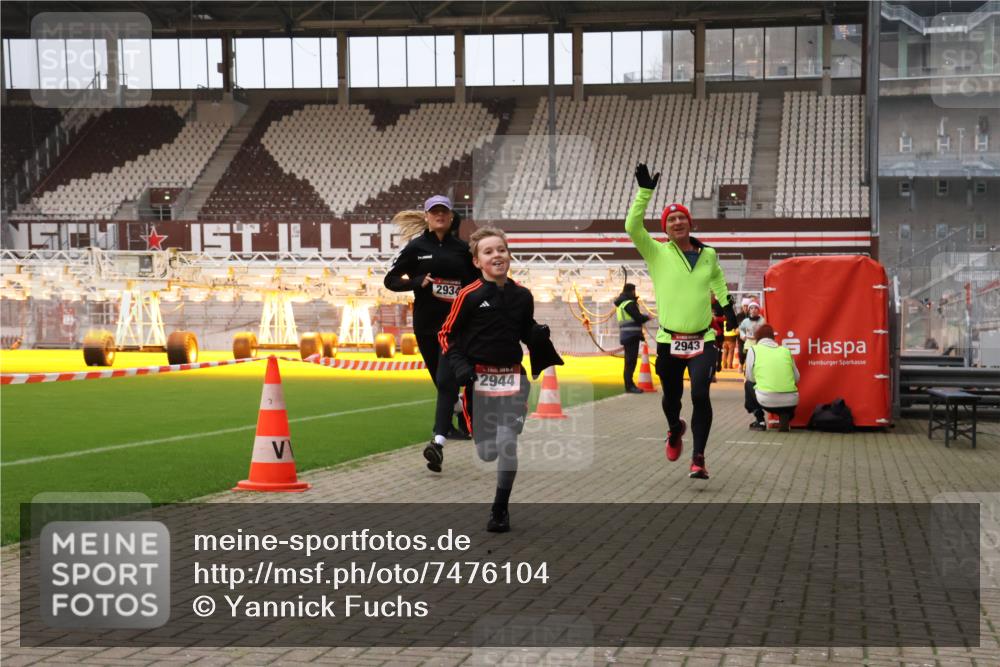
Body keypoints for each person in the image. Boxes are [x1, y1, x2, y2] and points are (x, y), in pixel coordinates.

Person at [438, 226, 562, 531]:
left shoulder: (523, 296)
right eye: (489, 251)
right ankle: (468, 419)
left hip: (513, 380)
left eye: (502, 250)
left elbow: (524, 330)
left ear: (509, 255)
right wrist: (460, 367)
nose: (497, 255)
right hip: (477, 383)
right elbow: (446, 335)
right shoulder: (468, 296)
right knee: (486, 451)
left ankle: (500, 510)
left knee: (507, 444)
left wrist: (536, 334)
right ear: (477, 262)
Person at [626, 164, 738, 480]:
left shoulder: (709, 254)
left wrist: (727, 305)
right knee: (671, 398)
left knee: (700, 394)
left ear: (690, 224)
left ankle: (698, 457)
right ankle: (675, 428)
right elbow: (633, 227)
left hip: (703, 338)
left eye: (682, 218)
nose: (677, 222)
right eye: (671, 220)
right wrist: (644, 193)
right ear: (666, 229)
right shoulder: (657, 253)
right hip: (669, 340)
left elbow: (716, 278)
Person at [384, 195, 478, 466]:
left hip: (453, 328)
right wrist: (416, 281)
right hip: (425, 326)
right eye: (434, 212)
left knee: (445, 378)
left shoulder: (462, 250)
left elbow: (474, 285)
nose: (439, 216)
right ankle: (461, 409)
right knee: (440, 381)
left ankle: (439, 440)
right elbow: (390, 280)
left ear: (450, 217)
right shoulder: (416, 248)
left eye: (443, 212)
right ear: (426, 217)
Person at [744, 324, 800, 431]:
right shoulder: (785, 350)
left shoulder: (753, 350)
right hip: (791, 401)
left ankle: (760, 421)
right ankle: (785, 415)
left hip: (766, 400)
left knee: (748, 384)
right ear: (773, 338)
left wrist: (762, 379)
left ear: (758, 337)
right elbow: (796, 378)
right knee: (790, 386)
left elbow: (749, 377)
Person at [614, 283, 651, 393]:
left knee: (628, 362)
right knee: (631, 362)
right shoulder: (629, 304)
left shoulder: (621, 304)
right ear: (632, 291)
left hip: (627, 335)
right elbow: (638, 318)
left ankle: (628, 385)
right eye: (634, 291)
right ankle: (630, 386)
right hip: (631, 336)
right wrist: (648, 317)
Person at [738, 301, 765, 368]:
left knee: (757, 362)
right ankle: (747, 375)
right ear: (749, 310)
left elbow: (766, 331)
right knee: (749, 361)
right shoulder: (746, 321)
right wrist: (743, 335)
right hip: (748, 344)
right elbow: (741, 329)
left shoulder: (763, 320)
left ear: (758, 310)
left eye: (756, 308)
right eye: (751, 308)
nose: (753, 310)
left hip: (759, 343)